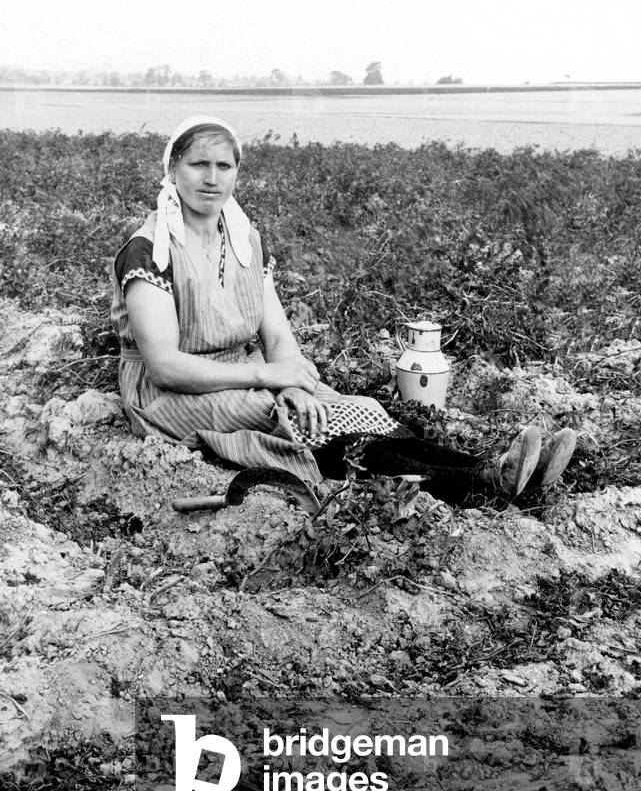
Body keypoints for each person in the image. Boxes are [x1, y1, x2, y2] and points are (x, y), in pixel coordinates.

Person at [110, 115, 576, 505]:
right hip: (169, 395)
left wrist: (291, 379)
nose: (211, 179)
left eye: (223, 166)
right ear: (172, 170)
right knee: (303, 426)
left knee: (350, 408)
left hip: (244, 371)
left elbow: (276, 334)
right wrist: (271, 381)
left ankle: (504, 472)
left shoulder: (245, 239)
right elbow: (165, 366)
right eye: (197, 165)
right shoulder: (149, 249)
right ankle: (482, 483)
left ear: (236, 173)